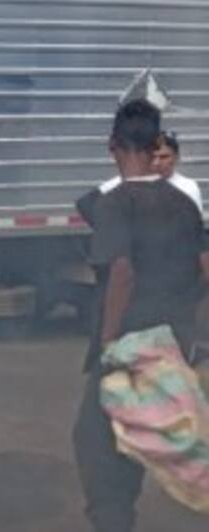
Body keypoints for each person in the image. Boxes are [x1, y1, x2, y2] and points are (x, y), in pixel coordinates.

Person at [72, 99, 209, 532]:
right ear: (156, 146)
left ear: (112, 146)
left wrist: (110, 341)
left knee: (96, 444)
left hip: (131, 345)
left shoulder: (116, 203)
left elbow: (122, 272)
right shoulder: (185, 204)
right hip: (174, 341)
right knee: (171, 439)